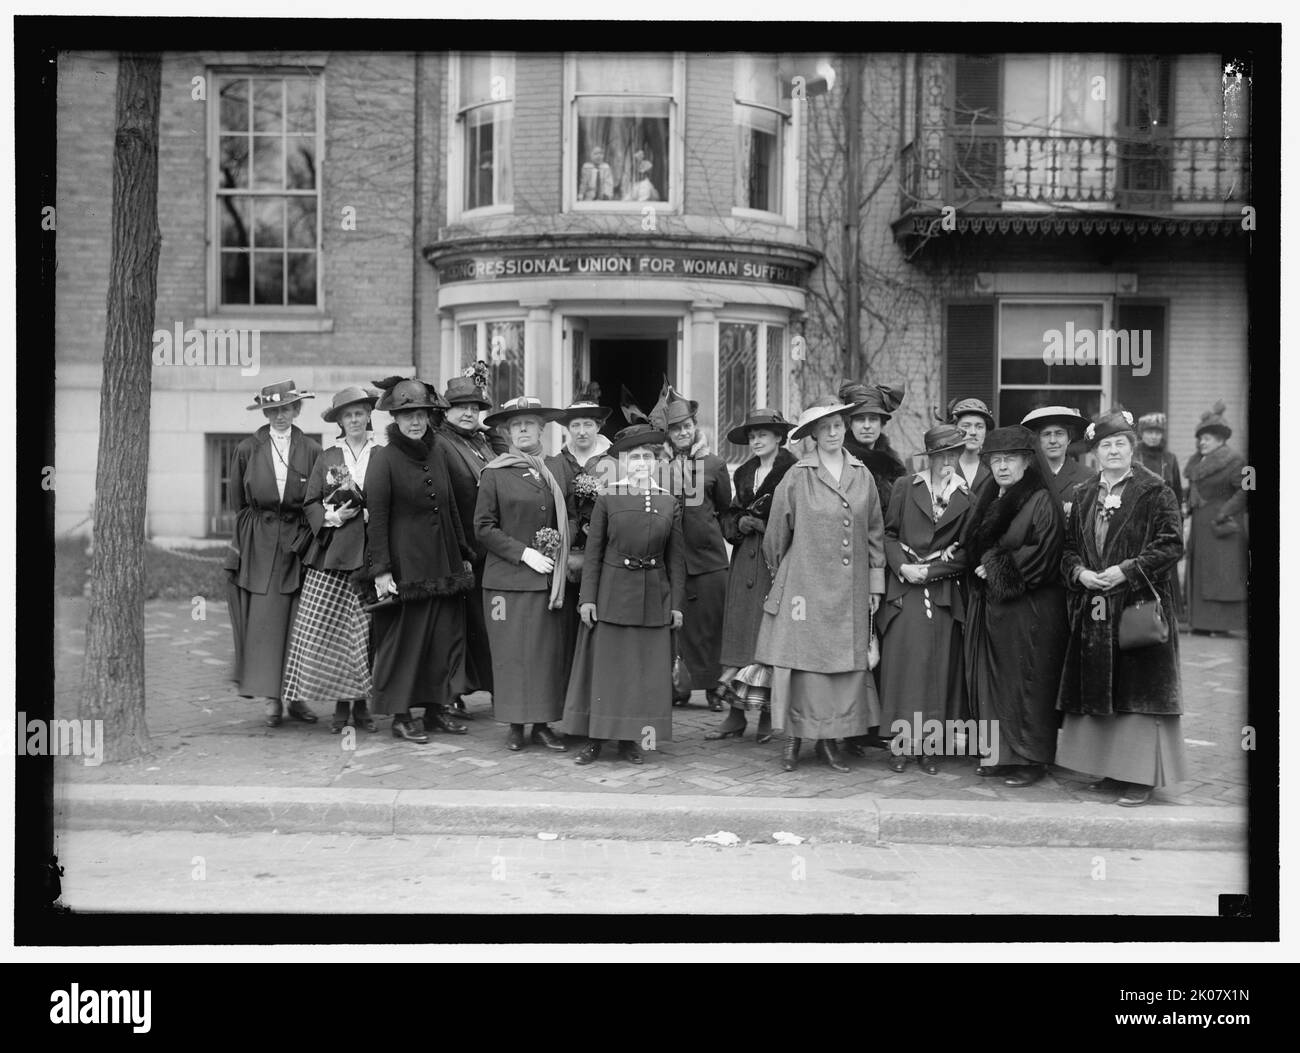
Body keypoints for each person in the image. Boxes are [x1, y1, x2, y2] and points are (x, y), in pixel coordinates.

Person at [1056, 408, 1187, 807]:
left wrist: (1125, 571)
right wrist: (1078, 572)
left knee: (1139, 695)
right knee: (1104, 694)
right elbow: (1069, 549)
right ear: (1095, 453)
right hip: (1095, 609)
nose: (1112, 451)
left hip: (1138, 608)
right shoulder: (1082, 494)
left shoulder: (1155, 490)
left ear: (1132, 448)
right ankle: (1113, 772)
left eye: (1119, 444)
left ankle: (1140, 778)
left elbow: (1170, 545)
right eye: (1104, 445)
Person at [754, 397, 886, 773]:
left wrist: (875, 584)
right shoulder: (798, 476)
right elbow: (775, 536)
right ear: (811, 434)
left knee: (841, 668)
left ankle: (830, 740)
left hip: (850, 589)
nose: (832, 433)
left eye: (837, 426)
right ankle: (794, 739)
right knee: (803, 665)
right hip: (804, 588)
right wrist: (790, 575)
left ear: (845, 429)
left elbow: (874, 532)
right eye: (824, 427)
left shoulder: (863, 475)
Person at [561, 423, 685, 766]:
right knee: (608, 672)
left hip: (653, 599)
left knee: (641, 674)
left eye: (648, 456)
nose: (642, 463)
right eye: (634, 457)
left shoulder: (668, 501)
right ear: (623, 463)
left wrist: (676, 606)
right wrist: (587, 599)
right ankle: (597, 740)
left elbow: (676, 559)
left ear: (657, 462)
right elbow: (594, 553)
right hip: (611, 596)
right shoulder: (608, 498)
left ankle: (632, 739)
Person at [364, 378, 476, 744]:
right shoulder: (384, 459)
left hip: (442, 560)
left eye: (421, 415)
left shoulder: (438, 451)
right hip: (405, 564)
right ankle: (399, 714)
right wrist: (381, 570)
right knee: (406, 641)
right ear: (395, 418)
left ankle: (435, 710)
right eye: (408, 415)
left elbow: (451, 508)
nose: (415, 422)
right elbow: (377, 518)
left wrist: (461, 554)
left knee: (442, 637)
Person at [962, 425, 1068, 787]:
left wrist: (993, 566)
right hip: (995, 607)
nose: (1002, 467)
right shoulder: (991, 497)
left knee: (1027, 682)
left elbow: (1044, 552)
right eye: (995, 460)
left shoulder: (1040, 499)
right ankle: (998, 754)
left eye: (1010, 459)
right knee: (994, 681)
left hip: (1031, 609)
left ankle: (1031, 759)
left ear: (1026, 461)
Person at [475, 397, 572, 752]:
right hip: (507, 580)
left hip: (548, 579)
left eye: (530, 424)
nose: (523, 430)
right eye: (517, 426)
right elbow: (483, 528)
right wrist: (525, 553)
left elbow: (572, 513)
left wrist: (560, 542)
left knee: (545, 654)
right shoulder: (495, 472)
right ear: (507, 432)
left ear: (541, 429)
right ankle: (515, 724)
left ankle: (544, 724)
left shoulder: (557, 468)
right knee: (512, 654)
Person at [224, 380, 322, 727]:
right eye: (273, 410)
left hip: (297, 540)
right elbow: (237, 500)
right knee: (267, 620)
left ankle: (297, 697)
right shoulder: (248, 448)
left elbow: (316, 497)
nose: (280, 416)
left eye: (286, 409)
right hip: (260, 541)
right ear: (265, 413)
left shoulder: (311, 449)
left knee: (299, 620)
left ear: (297, 410)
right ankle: (271, 698)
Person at [282, 386, 379, 734]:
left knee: (366, 633)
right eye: (347, 415)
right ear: (339, 420)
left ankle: (363, 706)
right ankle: (341, 705)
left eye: (359, 413)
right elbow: (309, 503)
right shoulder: (328, 457)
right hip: (333, 554)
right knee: (336, 632)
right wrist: (333, 517)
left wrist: (373, 515)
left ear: (369, 416)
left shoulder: (381, 455)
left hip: (371, 555)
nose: (354, 420)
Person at [879, 424, 973, 774]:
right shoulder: (905, 487)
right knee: (904, 669)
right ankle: (900, 745)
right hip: (904, 591)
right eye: (941, 455)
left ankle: (929, 747)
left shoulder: (967, 497)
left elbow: (966, 554)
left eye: (953, 454)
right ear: (930, 457)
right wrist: (903, 567)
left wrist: (929, 573)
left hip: (943, 593)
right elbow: (888, 534)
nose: (948, 461)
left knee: (937, 670)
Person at [707, 409, 797, 743]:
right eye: (752, 436)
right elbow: (728, 513)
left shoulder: (793, 470)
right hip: (744, 559)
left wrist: (768, 526)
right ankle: (735, 714)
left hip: (775, 561)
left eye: (763, 434)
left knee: (767, 635)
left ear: (778, 437)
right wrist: (737, 524)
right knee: (739, 634)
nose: (756, 440)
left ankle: (767, 714)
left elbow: (798, 515)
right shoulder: (745, 471)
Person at [656, 389, 733, 711]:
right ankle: (679, 686)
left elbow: (726, 508)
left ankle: (715, 688)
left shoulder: (714, 464)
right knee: (679, 626)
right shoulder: (658, 467)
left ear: (695, 426)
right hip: (671, 559)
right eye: (676, 428)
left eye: (687, 426)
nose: (683, 432)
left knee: (712, 624)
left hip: (709, 558)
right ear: (669, 435)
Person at [439, 373, 509, 718]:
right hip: (458, 544)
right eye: (460, 407)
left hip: (487, 545)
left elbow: (505, 461)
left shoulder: (480, 440)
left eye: (474, 407)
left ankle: (498, 686)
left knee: (487, 621)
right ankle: (453, 692)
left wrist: (490, 427)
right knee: (458, 624)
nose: (468, 413)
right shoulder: (440, 442)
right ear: (446, 410)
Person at [546, 389, 615, 678]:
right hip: (567, 555)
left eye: (588, 424)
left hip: (603, 554)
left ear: (598, 426)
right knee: (565, 626)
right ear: (567, 429)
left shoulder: (614, 462)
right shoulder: (556, 463)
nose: (581, 431)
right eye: (575, 425)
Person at [1183, 402, 1248, 635]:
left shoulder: (1236, 462)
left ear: (1221, 441)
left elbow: (1247, 489)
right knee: (1202, 574)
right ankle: (1201, 623)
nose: (1202, 442)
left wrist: (1225, 512)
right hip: (1201, 526)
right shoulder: (1196, 463)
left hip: (1221, 526)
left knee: (1222, 575)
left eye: (1207, 438)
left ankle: (1222, 625)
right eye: (1200, 438)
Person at [1134, 411, 1186, 621]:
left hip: (1164, 518)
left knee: (1164, 562)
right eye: (1149, 432)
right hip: (1139, 517)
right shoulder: (1135, 455)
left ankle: (1167, 612)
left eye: (1157, 432)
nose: (1154, 436)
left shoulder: (1169, 458)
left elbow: (1177, 490)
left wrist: (1177, 521)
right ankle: (1141, 615)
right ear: (1142, 434)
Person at [838, 381, 908, 511]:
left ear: (881, 423)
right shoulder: (840, 460)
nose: (867, 426)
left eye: (873, 419)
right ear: (850, 424)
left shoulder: (892, 464)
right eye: (860, 419)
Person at [1021, 405, 1090, 517]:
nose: (1053, 441)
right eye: (1046, 434)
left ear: (1069, 439)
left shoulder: (1088, 477)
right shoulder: (1025, 476)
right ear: (1038, 440)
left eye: (1059, 433)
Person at [949, 397, 994, 502]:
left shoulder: (995, 468)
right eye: (966, 426)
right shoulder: (943, 467)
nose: (973, 432)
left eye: (979, 427)